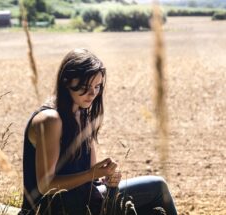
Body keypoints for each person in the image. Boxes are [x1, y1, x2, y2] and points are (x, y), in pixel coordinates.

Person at [19, 48, 177, 215]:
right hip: (51, 210)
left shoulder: (82, 113)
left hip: (82, 203)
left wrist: (108, 178)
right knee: (157, 188)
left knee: (154, 203)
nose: (93, 93)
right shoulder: (51, 119)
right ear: (66, 81)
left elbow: (92, 177)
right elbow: (45, 185)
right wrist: (90, 174)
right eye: (86, 86)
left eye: (97, 86)